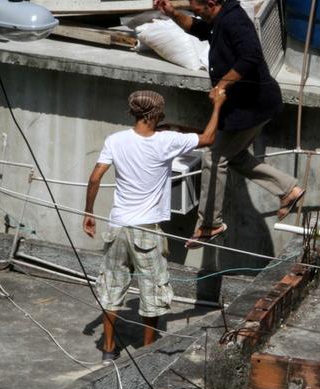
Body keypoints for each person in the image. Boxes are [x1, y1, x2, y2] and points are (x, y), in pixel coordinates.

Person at [153, 0, 305, 249]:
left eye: (199, 9)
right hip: (247, 105)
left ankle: (210, 223)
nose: (197, 13)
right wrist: (173, 13)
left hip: (251, 105)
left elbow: (251, 57)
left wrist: (222, 84)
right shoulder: (219, 18)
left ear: (212, 4)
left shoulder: (235, 21)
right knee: (232, 157)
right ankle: (288, 190)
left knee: (215, 157)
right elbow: (199, 29)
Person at [83, 89, 225, 364]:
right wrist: (218, 105)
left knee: (113, 288)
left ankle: (108, 350)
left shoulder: (115, 139)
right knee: (153, 292)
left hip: (117, 227)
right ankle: (147, 353)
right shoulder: (166, 141)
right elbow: (209, 138)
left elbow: (95, 177)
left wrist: (88, 212)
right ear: (156, 114)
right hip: (146, 231)